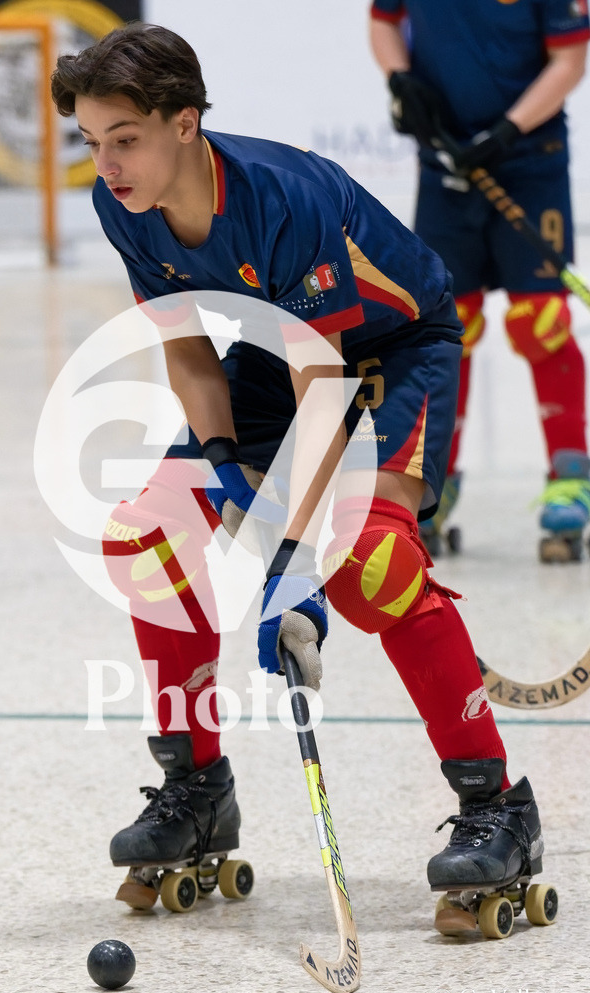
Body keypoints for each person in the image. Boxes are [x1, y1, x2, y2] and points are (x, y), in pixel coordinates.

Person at [51, 23, 546, 919]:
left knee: (370, 564)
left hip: (393, 352)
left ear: (185, 122)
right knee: (145, 538)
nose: (108, 164)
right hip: (277, 358)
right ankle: (197, 790)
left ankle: (497, 805)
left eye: (125, 138)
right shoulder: (121, 203)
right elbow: (189, 352)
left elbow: (328, 389)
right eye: (92, 141)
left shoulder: (282, 197)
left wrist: (293, 573)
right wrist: (224, 473)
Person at [370, 1, 590, 562]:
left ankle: (571, 477)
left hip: (530, 160)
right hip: (443, 159)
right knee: (447, 326)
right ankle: (435, 481)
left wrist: (506, 132)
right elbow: (384, 19)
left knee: (542, 323)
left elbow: (569, 59)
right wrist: (399, 79)